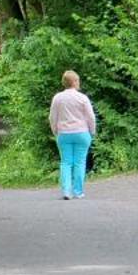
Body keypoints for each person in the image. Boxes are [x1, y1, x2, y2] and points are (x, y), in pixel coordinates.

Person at [48, 69, 97, 200]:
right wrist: (92, 131)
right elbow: (91, 117)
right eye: (77, 80)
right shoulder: (82, 98)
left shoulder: (57, 98)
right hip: (82, 133)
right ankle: (78, 192)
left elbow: (52, 118)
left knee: (66, 163)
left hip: (64, 134)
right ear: (74, 82)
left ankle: (66, 192)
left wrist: (55, 131)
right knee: (80, 163)